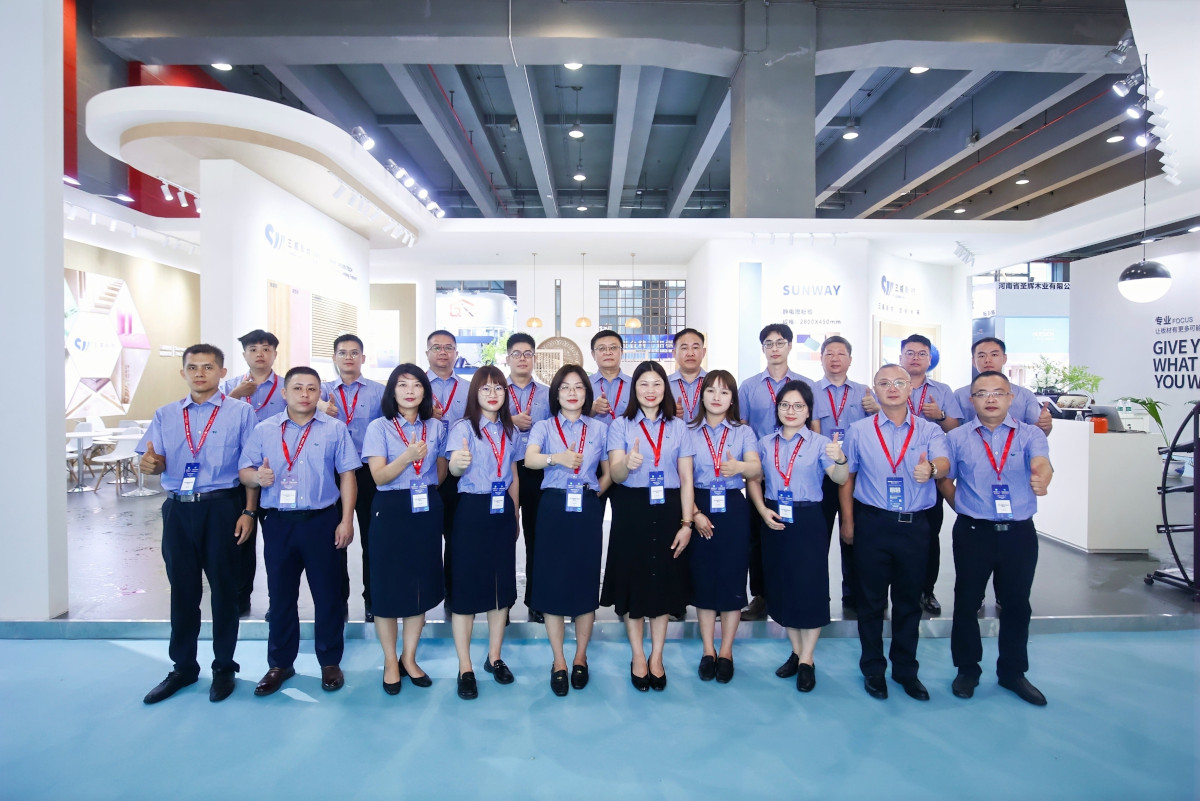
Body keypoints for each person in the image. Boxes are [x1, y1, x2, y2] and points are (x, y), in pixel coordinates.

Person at [138, 344, 258, 704]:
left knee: (225, 590)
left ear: (222, 372)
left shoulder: (241, 413)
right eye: (193, 367)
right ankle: (184, 667)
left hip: (222, 507)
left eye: (208, 367)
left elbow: (251, 466)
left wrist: (249, 512)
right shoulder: (166, 414)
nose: (200, 373)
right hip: (178, 510)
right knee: (183, 590)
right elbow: (155, 460)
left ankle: (224, 667)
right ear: (183, 373)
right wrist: (150, 465)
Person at [239, 366, 360, 696]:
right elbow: (244, 470)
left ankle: (330, 662)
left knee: (328, 595)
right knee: (280, 596)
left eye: (311, 389)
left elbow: (348, 475)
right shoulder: (264, 429)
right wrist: (256, 478)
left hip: (323, 521)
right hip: (278, 523)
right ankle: (280, 664)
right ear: (284, 393)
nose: (305, 394)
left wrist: (346, 520)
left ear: (320, 393)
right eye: (297, 388)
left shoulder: (335, 429)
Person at [940, 371, 1053, 706]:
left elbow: (1043, 463)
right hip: (973, 532)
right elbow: (944, 478)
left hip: (1019, 533)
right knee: (966, 602)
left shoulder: (1030, 434)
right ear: (971, 400)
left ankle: (1013, 673)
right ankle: (967, 669)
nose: (990, 399)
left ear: (1010, 398)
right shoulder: (957, 437)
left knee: (1017, 604)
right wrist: (962, 506)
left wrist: (1043, 477)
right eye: (982, 393)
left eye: (998, 392)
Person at [839, 364, 950, 701]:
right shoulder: (858, 430)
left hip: (914, 526)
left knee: (908, 602)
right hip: (872, 523)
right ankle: (873, 669)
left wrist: (931, 468)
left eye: (899, 382)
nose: (892, 388)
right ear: (874, 389)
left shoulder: (929, 430)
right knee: (870, 602)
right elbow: (847, 477)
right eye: (884, 383)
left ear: (910, 389)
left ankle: (905, 670)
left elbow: (944, 463)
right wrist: (848, 522)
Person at [602, 360, 695, 692]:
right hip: (631, 508)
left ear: (665, 389)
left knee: (663, 583)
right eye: (644, 384)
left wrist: (687, 523)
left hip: (669, 508)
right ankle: (638, 656)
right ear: (635, 389)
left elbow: (687, 478)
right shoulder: (620, 425)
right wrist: (626, 463)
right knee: (635, 582)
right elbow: (615, 476)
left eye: (657, 384)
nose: (651, 390)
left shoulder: (678, 427)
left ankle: (657, 656)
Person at [748, 380, 847, 692]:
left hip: (807, 520)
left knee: (809, 587)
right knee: (782, 587)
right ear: (777, 409)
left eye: (798, 406)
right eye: (785, 405)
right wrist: (762, 510)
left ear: (808, 411)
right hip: (774, 517)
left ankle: (807, 659)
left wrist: (840, 459)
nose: (791, 411)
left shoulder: (820, 443)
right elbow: (754, 479)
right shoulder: (765, 443)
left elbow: (839, 478)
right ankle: (795, 651)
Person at [523, 365, 611, 696]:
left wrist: (595, 492)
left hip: (585, 506)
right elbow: (530, 460)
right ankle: (559, 660)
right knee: (553, 582)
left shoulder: (599, 428)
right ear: (556, 394)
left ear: (587, 393)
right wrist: (556, 458)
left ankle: (580, 657)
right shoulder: (544, 426)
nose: (572, 393)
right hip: (553, 507)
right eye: (565, 387)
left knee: (584, 580)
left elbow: (608, 471)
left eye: (578, 387)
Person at [361, 364, 449, 695]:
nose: (410, 391)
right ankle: (389, 661)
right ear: (392, 391)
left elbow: (440, 470)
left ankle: (409, 658)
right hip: (391, 509)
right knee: (387, 588)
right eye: (402, 385)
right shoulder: (379, 427)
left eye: (416, 385)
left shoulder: (435, 426)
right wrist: (408, 457)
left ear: (425, 391)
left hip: (425, 508)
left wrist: (425, 482)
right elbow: (379, 476)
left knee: (419, 586)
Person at [444, 366, 521, 700]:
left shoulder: (510, 429)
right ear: (474, 393)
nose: (493, 394)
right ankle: (465, 667)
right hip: (471, 510)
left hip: (502, 509)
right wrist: (459, 463)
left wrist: (514, 513)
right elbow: (452, 468)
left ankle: (494, 657)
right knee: (466, 589)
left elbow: (513, 471)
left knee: (499, 587)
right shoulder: (462, 428)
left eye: (499, 388)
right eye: (485, 389)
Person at [686, 370, 760, 683]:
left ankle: (726, 651)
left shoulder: (743, 432)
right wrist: (694, 514)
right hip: (699, 503)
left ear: (732, 399)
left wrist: (740, 467)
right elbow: (682, 479)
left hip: (732, 507)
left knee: (732, 579)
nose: (717, 397)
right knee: (704, 578)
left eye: (724, 392)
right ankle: (708, 650)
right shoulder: (688, 431)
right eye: (711, 391)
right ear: (702, 396)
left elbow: (756, 468)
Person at [737, 323, 812, 622]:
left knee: (798, 538)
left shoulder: (806, 384)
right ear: (763, 349)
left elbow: (814, 429)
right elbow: (741, 428)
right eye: (769, 344)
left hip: (796, 473)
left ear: (790, 345)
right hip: (761, 472)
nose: (775, 348)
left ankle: (795, 593)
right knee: (758, 538)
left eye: (780, 342)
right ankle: (761, 597)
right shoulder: (749, 386)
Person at [318, 334, 385, 622]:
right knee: (334, 540)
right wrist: (320, 407)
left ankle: (374, 600)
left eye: (354, 353)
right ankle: (338, 601)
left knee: (374, 539)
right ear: (334, 358)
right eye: (343, 353)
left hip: (368, 472)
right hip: (333, 473)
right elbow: (294, 408)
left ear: (363, 358)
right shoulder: (319, 391)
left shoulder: (379, 392)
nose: (348, 357)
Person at [222, 328, 286, 617]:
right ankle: (240, 600)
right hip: (239, 473)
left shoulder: (286, 387)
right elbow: (213, 420)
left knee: (277, 545)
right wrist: (235, 396)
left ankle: (278, 602)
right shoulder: (229, 387)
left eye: (266, 349)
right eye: (253, 349)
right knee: (240, 540)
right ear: (244, 354)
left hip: (277, 474)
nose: (260, 354)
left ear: (274, 353)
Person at [899, 333, 963, 617]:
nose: (915, 358)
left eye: (921, 353)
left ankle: (926, 591)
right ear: (901, 357)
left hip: (931, 473)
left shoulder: (942, 390)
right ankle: (897, 592)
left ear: (930, 359)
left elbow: (955, 428)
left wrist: (940, 415)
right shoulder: (889, 384)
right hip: (895, 472)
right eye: (910, 353)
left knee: (929, 534)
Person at [810, 335, 875, 613]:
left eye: (841, 354)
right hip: (822, 474)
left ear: (850, 359)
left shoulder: (865, 392)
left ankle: (853, 596)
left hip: (856, 474)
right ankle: (817, 596)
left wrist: (877, 408)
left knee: (853, 535)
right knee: (818, 537)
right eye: (829, 353)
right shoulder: (810, 390)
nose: (835, 359)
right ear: (821, 358)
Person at [505, 333, 551, 623]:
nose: (522, 359)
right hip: (503, 471)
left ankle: (536, 600)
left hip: (537, 470)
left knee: (537, 537)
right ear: (507, 358)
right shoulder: (495, 390)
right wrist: (510, 420)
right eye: (516, 353)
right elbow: (480, 421)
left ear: (534, 358)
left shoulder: (547, 393)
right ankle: (503, 603)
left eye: (528, 354)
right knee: (504, 535)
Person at [426, 329, 469, 604]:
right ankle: (427, 592)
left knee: (457, 536)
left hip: (459, 470)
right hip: (421, 470)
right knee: (426, 536)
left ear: (456, 353)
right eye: (436, 347)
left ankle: (455, 594)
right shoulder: (414, 386)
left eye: (448, 347)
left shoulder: (469, 388)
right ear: (427, 352)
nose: (443, 352)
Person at [953, 337, 1053, 435]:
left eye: (994, 355)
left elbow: (1037, 433)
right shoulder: (959, 395)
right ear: (973, 361)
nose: (988, 360)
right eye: (982, 356)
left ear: (1004, 359)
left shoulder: (1025, 395)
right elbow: (953, 431)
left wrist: (1045, 425)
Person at [588, 329, 632, 422]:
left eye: (613, 348)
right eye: (601, 348)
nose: (608, 352)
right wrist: (591, 410)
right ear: (593, 354)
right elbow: (573, 417)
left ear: (621, 352)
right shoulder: (583, 385)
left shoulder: (634, 384)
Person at [668, 328, 708, 422]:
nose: (690, 353)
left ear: (704, 352)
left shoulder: (714, 383)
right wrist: (668, 414)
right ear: (674, 353)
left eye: (695, 347)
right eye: (684, 348)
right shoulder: (664, 384)